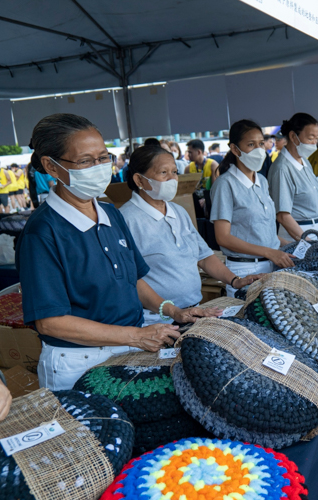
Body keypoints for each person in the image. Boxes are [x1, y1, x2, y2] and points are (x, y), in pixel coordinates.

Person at [16, 114, 215, 391]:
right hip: (79, 362)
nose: (99, 167)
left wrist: (174, 311)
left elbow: (133, 280)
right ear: (52, 166)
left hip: (129, 349)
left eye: (103, 157)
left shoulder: (110, 213)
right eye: (86, 161)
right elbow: (50, 322)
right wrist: (136, 335)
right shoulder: (43, 231)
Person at [120, 145, 259, 323]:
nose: (172, 179)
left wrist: (234, 280)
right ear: (139, 180)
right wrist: (172, 311)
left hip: (194, 311)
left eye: (174, 172)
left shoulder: (178, 211)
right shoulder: (126, 220)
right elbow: (131, 279)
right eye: (163, 173)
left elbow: (204, 256)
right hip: (156, 320)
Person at [211, 120, 296, 296]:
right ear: (235, 149)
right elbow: (223, 237)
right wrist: (269, 251)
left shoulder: (262, 182)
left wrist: (292, 246)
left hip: (272, 264)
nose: (258, 150)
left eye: (260, 143)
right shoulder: (225, 184)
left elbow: (262, 230)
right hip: (245, 270)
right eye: (251, 145)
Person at [269, 113, 318, 242]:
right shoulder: (282, 168)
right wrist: (307, 242)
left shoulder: (305, 162)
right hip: (298, 235)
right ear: (293, 136)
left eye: (317, 138)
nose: (315, 142)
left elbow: (316, 206)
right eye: (310, 138)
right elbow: (283, 215)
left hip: (317, 232)